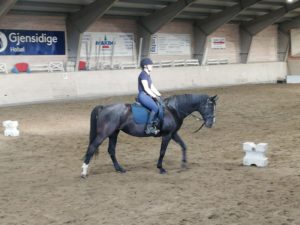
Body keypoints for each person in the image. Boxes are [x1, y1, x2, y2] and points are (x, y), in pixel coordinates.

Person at [137, 58, 162, 135]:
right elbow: (146, 88)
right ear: (145, 66)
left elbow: (152, 87)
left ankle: (155, 124)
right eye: (150, 65)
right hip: (143, 95)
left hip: (147, 95)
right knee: (155, 108)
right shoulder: (143, 74)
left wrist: (159, 95)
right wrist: (154, 96)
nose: (152, 66)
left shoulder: (148, 75)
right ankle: (148, 128)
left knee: (160, 104)